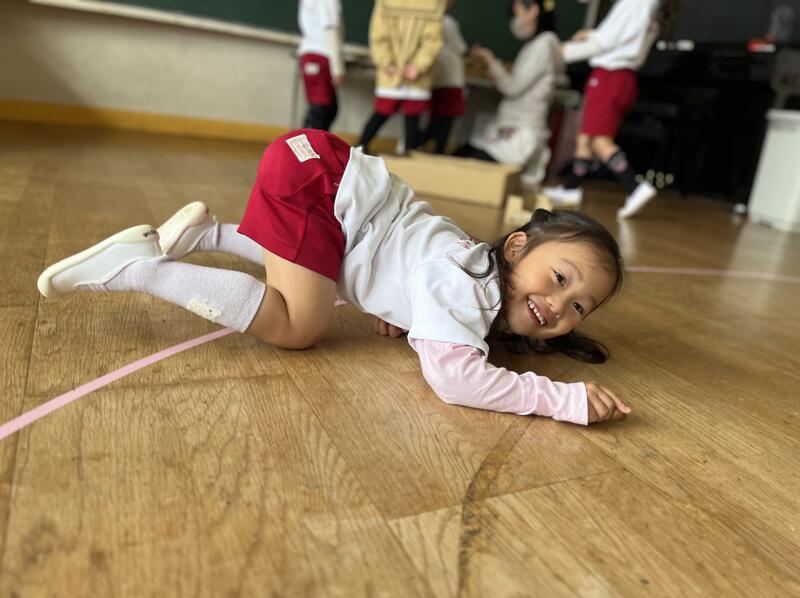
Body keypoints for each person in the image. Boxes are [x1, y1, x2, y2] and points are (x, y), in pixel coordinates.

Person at [37, 129, 631, 425]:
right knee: (300, 325)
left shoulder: (470, 263)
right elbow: (455, 380)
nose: (561, 305)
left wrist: (402, 315)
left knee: (312, 274)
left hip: (320, 167)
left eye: (581, 306)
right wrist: (560, 399)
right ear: (517, 246)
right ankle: (142, 270)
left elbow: (397, 263)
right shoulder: (468, 290)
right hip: (319, 186)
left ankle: (207, 234)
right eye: (561, 278)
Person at [544, 0, 678, 218]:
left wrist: (562, 52)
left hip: (610, 76)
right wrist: (592, 34)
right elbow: (620, 37)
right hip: (619, 77)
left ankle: (635, 187)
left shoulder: (635, 3)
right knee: (585, 137)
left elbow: (605, 42)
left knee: (600, 141)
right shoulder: (651, 7)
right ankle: (571, 189)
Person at [454, 0, 563, 183]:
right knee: (462, 154)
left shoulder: (545, 43)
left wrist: (490, 60)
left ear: (533, 10)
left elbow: (513, 88)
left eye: (516, 14)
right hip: (507, 129)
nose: (514, 21)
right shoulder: (534, 45)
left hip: (522, 133)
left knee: (468, 167)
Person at [356, 0, 444, 155]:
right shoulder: (434, 3)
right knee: (400, 114)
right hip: (411, 74)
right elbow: (433, 41)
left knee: (399, 114)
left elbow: (378, 36)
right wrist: (417, 66)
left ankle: (362, 147)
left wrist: (389, 63)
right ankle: (406, 153)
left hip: (396, 73)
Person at [417, 0, 468, 154]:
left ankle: (414, 145)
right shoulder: (447, 22)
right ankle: (422, 148)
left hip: (437, 79)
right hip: (450, 81)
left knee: (437, 123)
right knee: (443, 126)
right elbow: (461, 48)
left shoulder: (423, 21)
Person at [298, 0, 345, 131]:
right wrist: (338, 69)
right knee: (321, 108)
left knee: (327, 108)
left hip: (309, 54)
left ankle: (317, 140)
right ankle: (306, 141)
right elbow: (330, 31)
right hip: (321, 54)